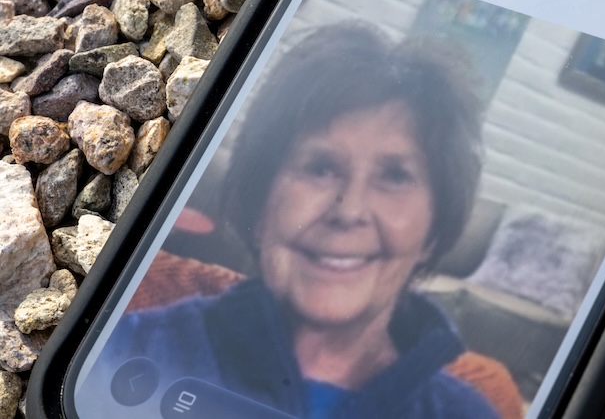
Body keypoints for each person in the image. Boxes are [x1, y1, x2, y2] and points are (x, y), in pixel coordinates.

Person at [104, 23, 501, 419]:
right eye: (320, 168)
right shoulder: (126, 351)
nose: (349, 211)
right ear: (259, 205)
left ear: (433, 230)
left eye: (395, 176)